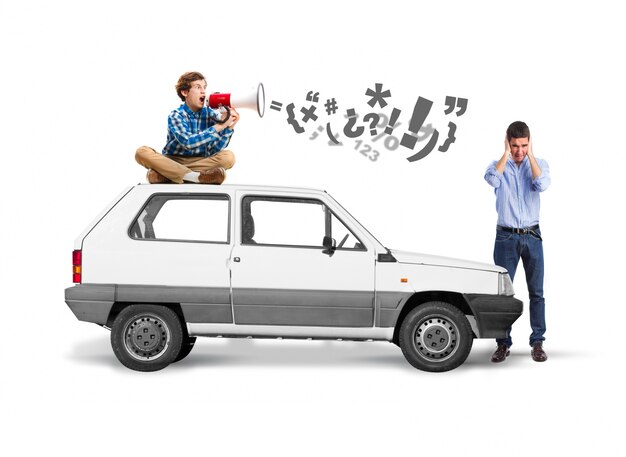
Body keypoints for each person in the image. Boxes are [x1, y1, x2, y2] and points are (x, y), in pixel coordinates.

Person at [484, 121, 551, 363]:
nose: (519, 150)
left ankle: (537, 342)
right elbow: (491, 180)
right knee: (503, 294)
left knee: (537, 293)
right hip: (506, 236)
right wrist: (504, 154)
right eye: (515, 145)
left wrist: (531, 155)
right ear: (508, 143)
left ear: (529, 142)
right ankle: (503, 344)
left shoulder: (538, 165)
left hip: (532, 236)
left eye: (523, 145)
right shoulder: (498, 166)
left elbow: (542, 184)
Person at [135, 71, 240, 184]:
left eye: (204, 87)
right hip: (172, 159)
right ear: (185, 92)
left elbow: (215, 149)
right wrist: (220, 126)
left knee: (228, 157)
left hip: (200, 160)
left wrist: (229, 127)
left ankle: (168, 173)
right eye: (198, 87)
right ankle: (196, 176)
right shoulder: (176, 115)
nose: (203, 91)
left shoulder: (211, 114)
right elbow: (188, 143)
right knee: (142, 152)